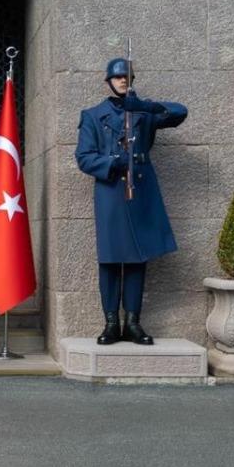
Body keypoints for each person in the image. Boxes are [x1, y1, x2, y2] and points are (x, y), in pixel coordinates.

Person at [76, 58, 187, 345]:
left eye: (127, 77)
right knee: (111, 259)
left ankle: (133, 322)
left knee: (138, 258)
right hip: (111, 192)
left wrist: (144, 107)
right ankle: (111, 322)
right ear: (108, 81)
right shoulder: (92, 115)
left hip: (140, 190)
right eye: (118, 77)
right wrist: (113, 162)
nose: (123, 81)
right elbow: (84, 157)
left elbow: (179, 113)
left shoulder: (143, 111)